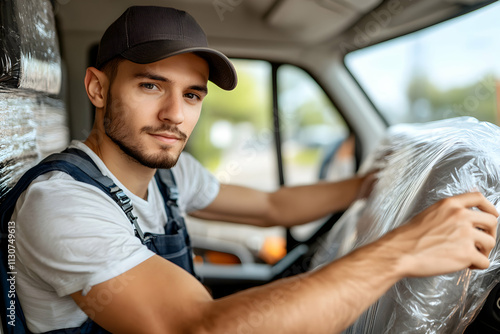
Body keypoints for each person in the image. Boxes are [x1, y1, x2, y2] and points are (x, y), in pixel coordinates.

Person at [8, 5, 498, 334]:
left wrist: (373, 185)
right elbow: (195, 327)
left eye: (192, 94)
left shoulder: (170, 176)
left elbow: (271, 206)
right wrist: (403, 250)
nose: (175, 115)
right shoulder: (62, 204)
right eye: (151, 86)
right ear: (97, 88)